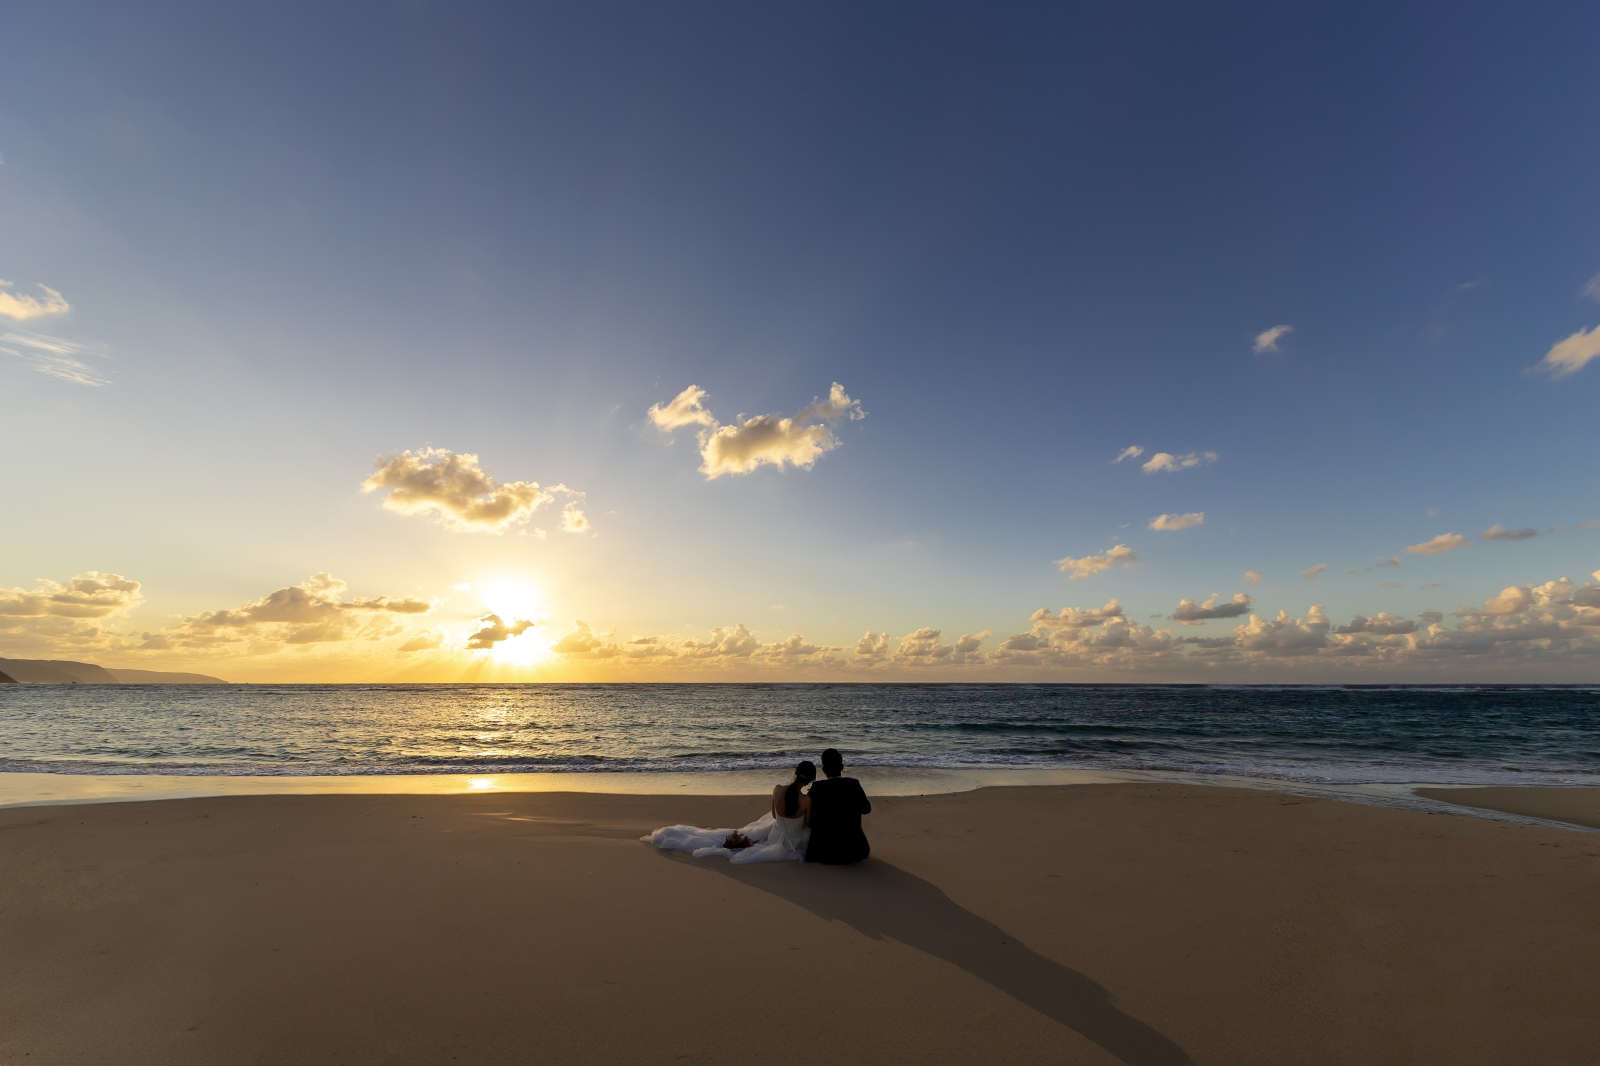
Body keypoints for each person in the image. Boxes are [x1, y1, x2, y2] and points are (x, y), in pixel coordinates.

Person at [641, 760, 816, 863]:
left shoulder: (777, 789)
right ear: (809, 781)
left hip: (774, 836)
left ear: (795, 773)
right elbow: (807, 825)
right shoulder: (806, 800)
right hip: (789, 844)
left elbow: (773, 815)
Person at [803, 748, 871, 864]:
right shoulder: (853, 784)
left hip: (823, 852)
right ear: (842, 767)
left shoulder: (818, 787)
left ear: (823, 769)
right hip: (854, 851)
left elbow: (806, 810)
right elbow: (866, 809)